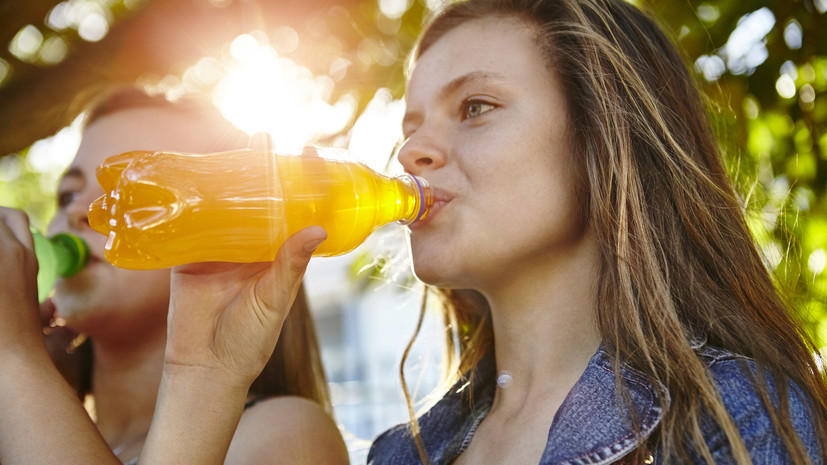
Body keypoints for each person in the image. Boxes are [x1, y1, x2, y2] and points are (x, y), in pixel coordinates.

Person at [2, 0, 827, 464]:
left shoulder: (732, 417)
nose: (411, 150)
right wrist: (201, 374)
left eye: (475, 107)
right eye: (411, 122)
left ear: (603, 145)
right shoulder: (405, 455)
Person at [0, 85, 348, 465]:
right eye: (67, 194)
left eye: (132, 191)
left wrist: (15, 354)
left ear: (232, 236)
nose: (79, 212)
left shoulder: (287, 434)